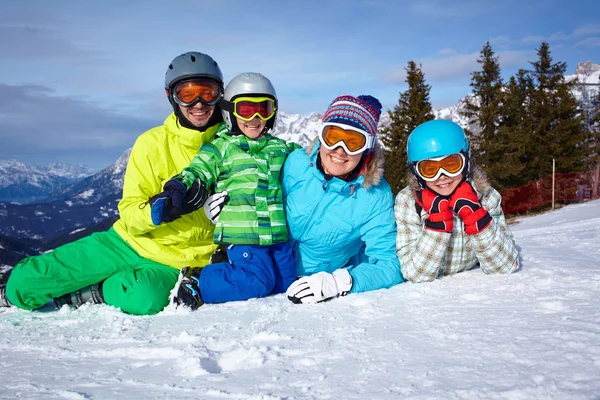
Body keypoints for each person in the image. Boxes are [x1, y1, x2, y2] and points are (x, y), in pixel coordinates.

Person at [0, 51, 225, 315]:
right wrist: (162, 210)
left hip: (181, 259)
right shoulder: (151, 143)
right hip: (126, 242)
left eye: (207, 92)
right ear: (171, 96)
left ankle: (94, 292)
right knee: (24, 283)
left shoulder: (231, 146)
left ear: (219, 95)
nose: (198, 103)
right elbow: (129, 212)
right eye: (187, 94)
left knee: (145, 296)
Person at [149, 72, 298, 309]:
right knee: (258, 280)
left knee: (286, 283)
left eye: (264, 109)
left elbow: (306, 164)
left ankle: (224, 267)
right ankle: (199, 280)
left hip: (276, 234)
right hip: (243, 234)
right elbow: (197, 170)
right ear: (230, 112)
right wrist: (177, 187)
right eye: (246, 110)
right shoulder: (221, 147)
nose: (255, 118)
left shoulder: (280, 148)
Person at [283, 95, 404, 304]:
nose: (340, 150)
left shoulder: (375, 196)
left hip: (310, 286)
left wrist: (340, 282)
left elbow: (389, 264)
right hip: (266, 271)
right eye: (333, 136)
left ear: (367, 148)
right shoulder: (296, 163)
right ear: (322, 136)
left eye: (353, 142)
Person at [394, 119, 520, 282]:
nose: (442, 176)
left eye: (451, 164)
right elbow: (415, 274)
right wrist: (437, 225)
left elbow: (506, 266)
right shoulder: (408, 202)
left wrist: (477, 218)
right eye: (429, 169)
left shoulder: (486, 196)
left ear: (466, 162)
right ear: (416, 172)